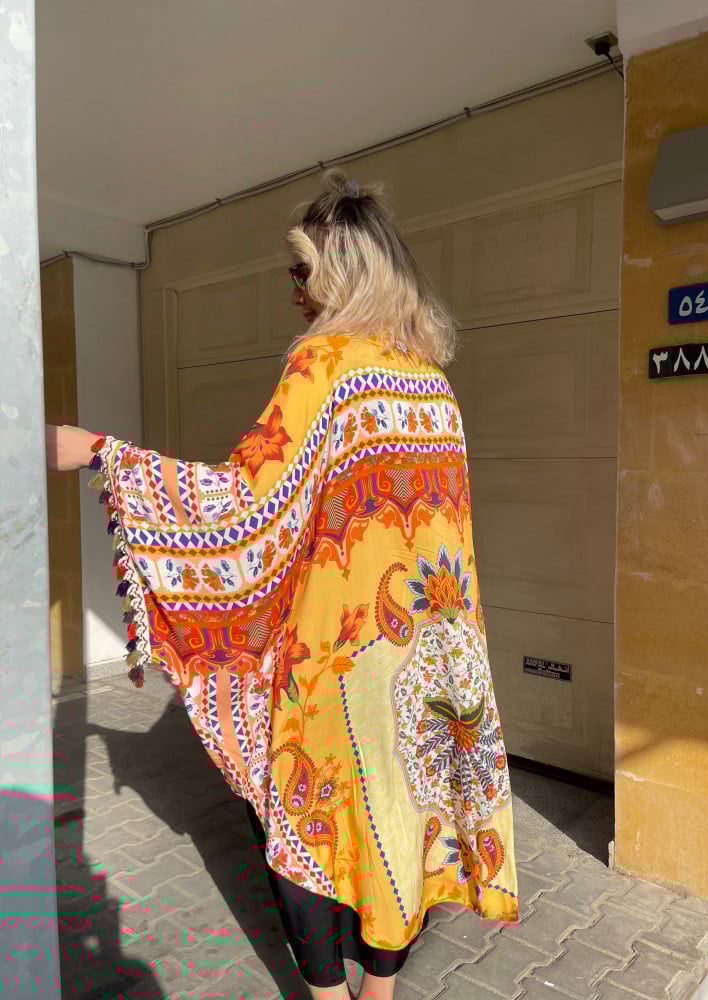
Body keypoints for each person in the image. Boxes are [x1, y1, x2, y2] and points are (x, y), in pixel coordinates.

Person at [47, 171, 519, 1000]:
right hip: (433, 661)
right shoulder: (431, 384)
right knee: (400, 821)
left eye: (301, 270)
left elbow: (247, 502)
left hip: (341, 660)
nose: (292, 289)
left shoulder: (324, 365)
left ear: (342, 272)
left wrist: (103, 454)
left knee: (300, 818)